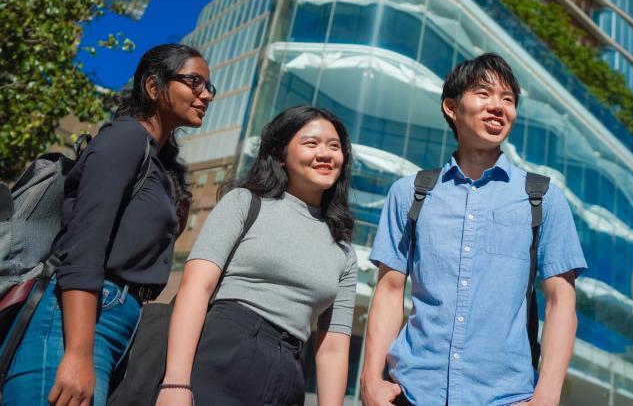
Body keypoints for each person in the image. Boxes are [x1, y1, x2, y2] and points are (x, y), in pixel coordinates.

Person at [361, 53, 587, 406]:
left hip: (504, 395)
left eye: (508, 99)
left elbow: (561, 300)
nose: (498, 106)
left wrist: (546, 396)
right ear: (451, 107)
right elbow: (390, 291)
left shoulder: (542, 199)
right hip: (412, 392)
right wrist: (371, 381)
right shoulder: (410, 193)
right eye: (484, 94)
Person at [2, 44, 214, 405]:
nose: (206, 94)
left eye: (210, 87)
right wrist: (78, 353)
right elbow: (85, 245)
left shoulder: (157, 163)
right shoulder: (125, 138)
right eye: (195, 82)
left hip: (114, 321)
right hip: (76, 322)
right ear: (153, 87)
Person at [157, 105, 358, 406]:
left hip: (288, 374)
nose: (326, 154)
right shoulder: (243, 203)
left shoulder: (344, 250)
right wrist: (175, 382)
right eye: (311, 143)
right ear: (280, 154)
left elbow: (334, 347)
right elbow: (196, 288)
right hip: (222, 352)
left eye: (334, 146)